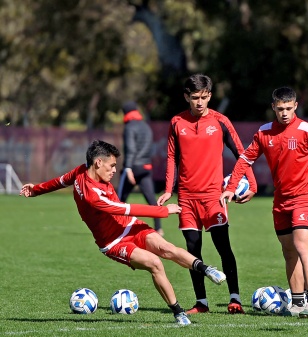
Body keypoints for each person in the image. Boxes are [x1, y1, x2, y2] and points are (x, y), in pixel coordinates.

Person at [19, 140, 227, 326]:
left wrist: (36, 189)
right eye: (111, 165)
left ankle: (207, 269)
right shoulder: (93, 196)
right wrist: (163, 211)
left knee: (167, 248)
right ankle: (179, 312)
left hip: (129, 225)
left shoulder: (81, 170)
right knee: (155, 264)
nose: (114, 170)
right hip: (114, 242)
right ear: (98, 163)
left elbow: (59, 182)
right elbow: (127, 208)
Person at [220, 87, 308, 319]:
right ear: (273, 108)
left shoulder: (307, 130)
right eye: (280, 109)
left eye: (289, 108)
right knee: (288, 252)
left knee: (302, 246)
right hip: (281, 200)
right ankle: (297, 303)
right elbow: (245, 159)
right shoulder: (264, 132)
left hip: (305, 197)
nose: (285, 113)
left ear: (295, 106)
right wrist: (230, 188)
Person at [157, 74, 257, 315]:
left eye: (203, 97)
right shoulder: (176, 122)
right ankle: (201, 302)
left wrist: (251, 185)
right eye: (194, 98)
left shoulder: (220, 121)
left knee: (224, 247)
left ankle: (235, 299)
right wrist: (169, 189)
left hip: (214, 198)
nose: (199, 102)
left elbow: (242, 154)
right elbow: (172, 157)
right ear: (186, 97)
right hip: (187, 199)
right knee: (193, 251)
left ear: (210, 95)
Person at [117, 101, 163, 236]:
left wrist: (128, 168)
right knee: (152, 201)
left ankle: (111, 225)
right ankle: (159, 229)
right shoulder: (146, 126)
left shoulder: (129, 127)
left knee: (119, 200)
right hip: (146, 167)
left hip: (133, 167)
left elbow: (130, 149)